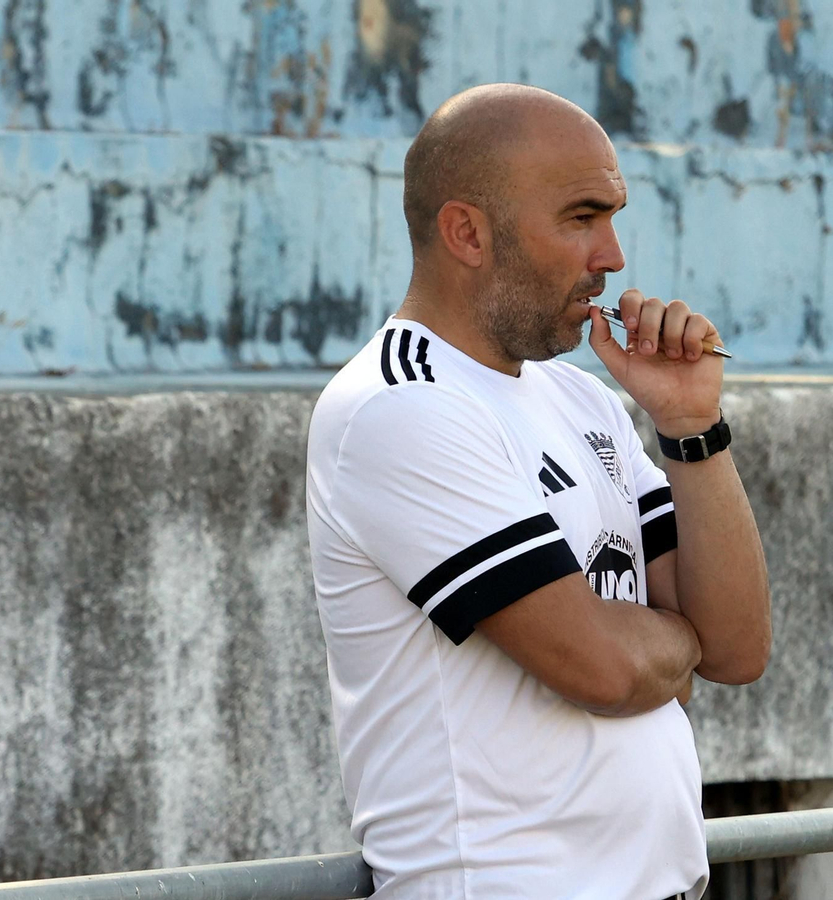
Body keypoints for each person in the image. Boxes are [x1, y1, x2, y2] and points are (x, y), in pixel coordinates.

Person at [305, 83, 772, 900]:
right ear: (467, 233)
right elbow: (603, 672)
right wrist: (670, 644)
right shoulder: (400, 407)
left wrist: (692, 427)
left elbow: (735, 648)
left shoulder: (582, 398)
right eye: (582, 217)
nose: (615, 256)